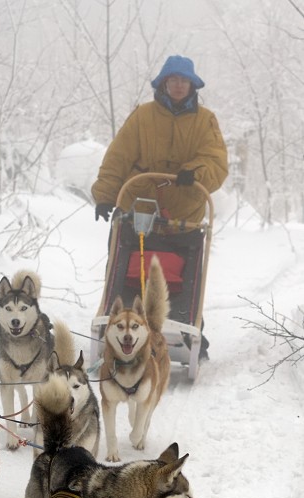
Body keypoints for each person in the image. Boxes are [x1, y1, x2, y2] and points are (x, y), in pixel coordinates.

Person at [92, 55, 228, 358]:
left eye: (184, 81)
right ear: (164, 83)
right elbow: (118, 157)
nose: (179, 85)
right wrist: (105, 194)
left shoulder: (205, 120)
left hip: (185, 212)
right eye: (173, 79)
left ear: (192, 85)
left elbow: (216, 162)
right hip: (139, 207)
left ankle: (187, 327)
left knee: (182, 275)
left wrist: (194, 171)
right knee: (127, 265)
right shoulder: (142, 116)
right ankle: (117, 327)